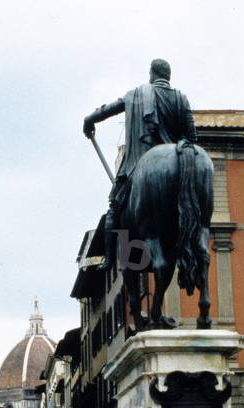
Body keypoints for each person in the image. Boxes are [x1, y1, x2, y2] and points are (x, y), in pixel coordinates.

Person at [82, 58, 197, 271]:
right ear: (168, 76)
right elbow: (192, 136)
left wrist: (89, 119)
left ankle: (108, 260)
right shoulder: (181, 98)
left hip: (139, 161)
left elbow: (109, 109)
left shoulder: (135, 95)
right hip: (178, 164)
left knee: (113, 206)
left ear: (152, 74)